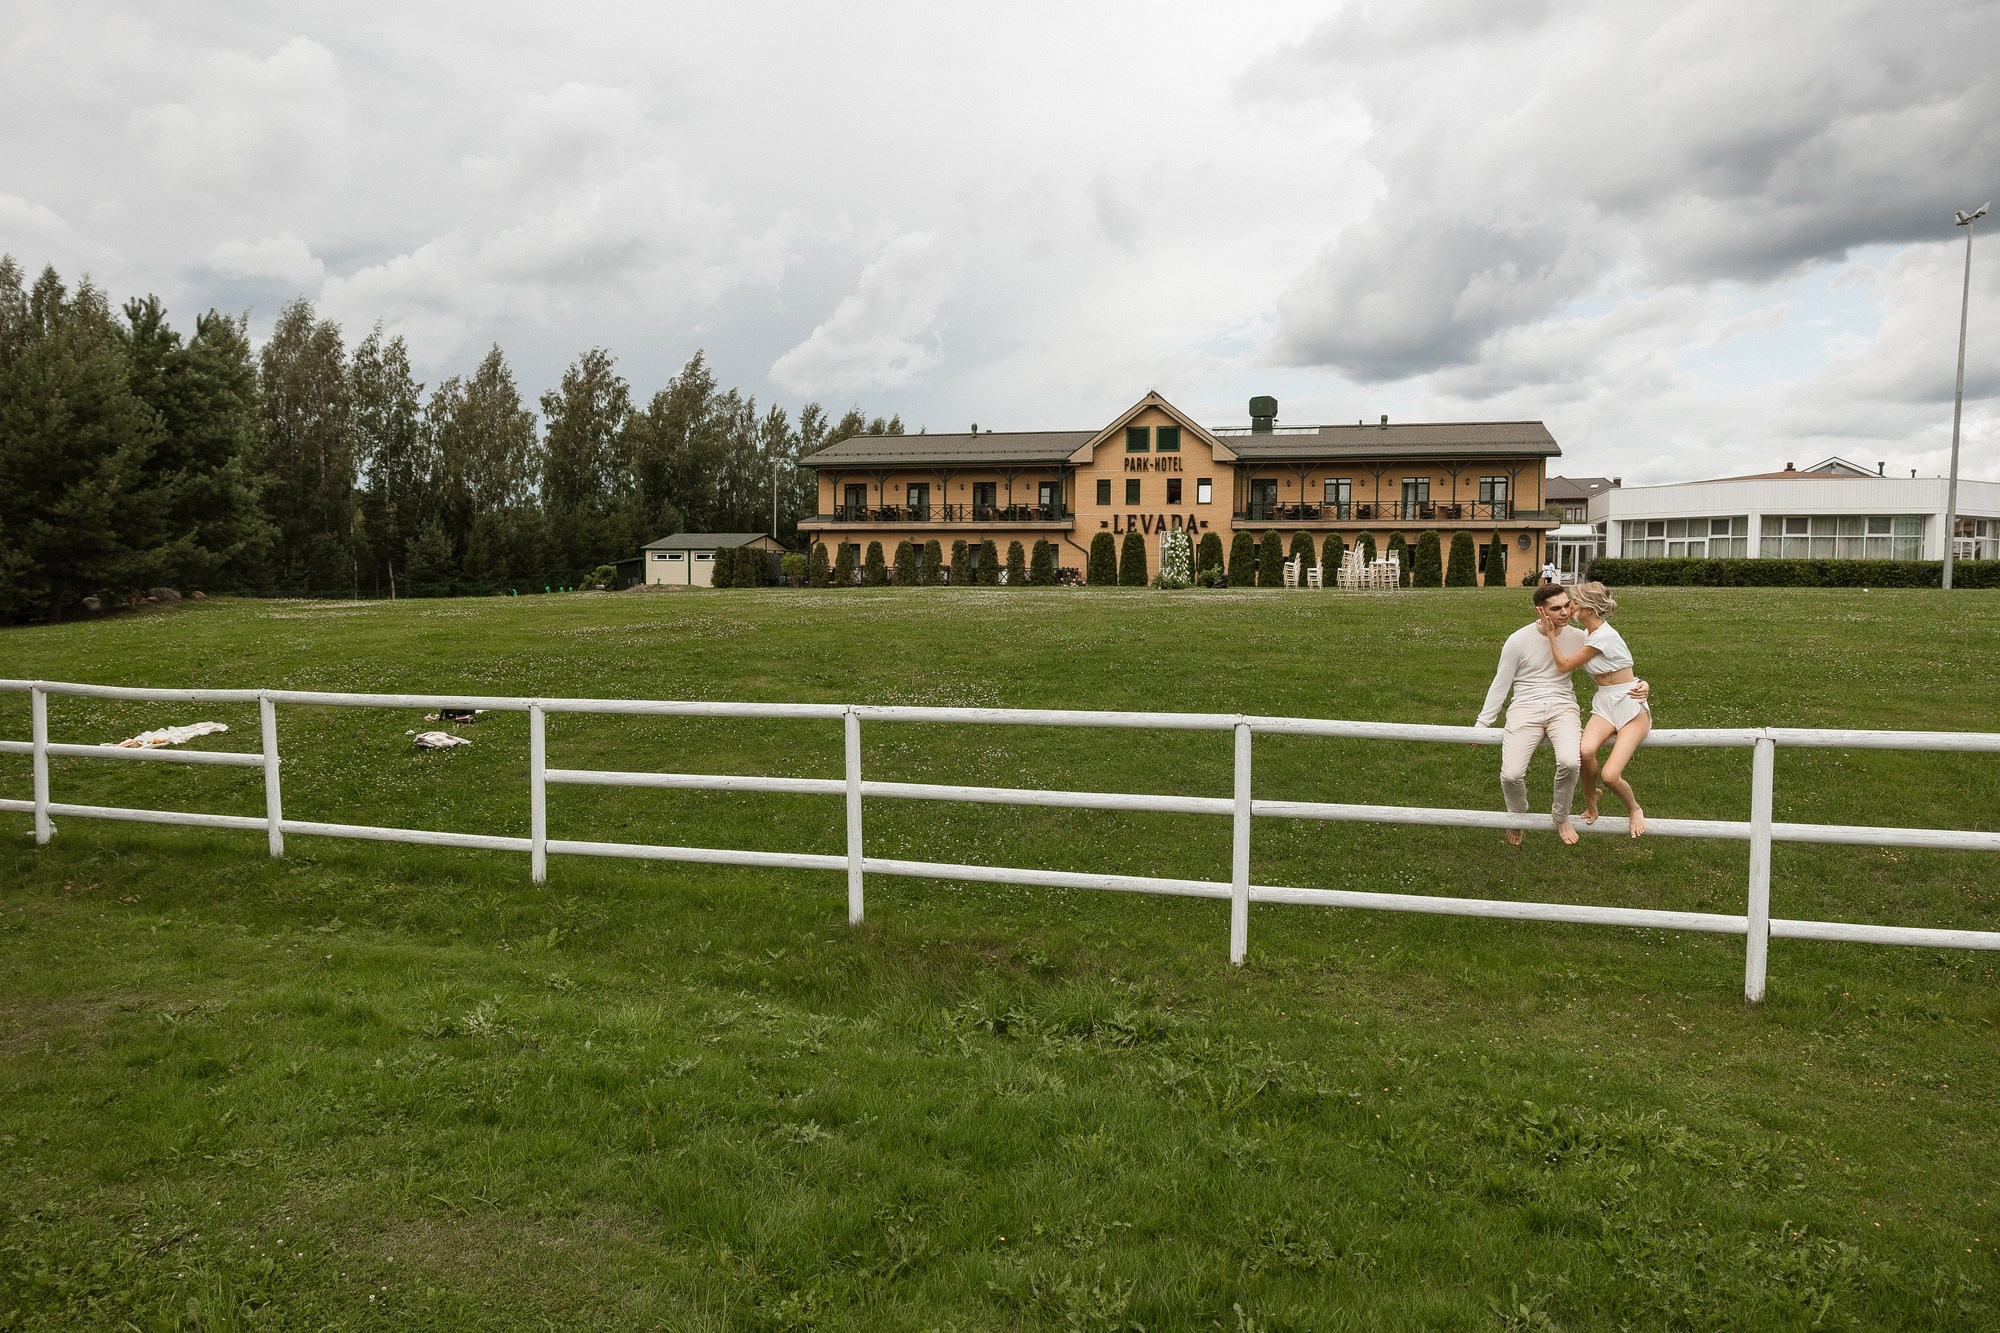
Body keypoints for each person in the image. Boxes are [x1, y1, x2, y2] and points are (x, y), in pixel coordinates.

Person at [1478, 584, 1595, 845]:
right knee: (1511, 775)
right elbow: (1501, 682)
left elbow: (1603, 671)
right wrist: (1482, 723)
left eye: (1567, 605)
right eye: (1556, 608)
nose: (1565, 612)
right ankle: (1517, 815)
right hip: (1525, 707)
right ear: (1540, 611)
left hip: (1563, 706)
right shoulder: (1518, 640)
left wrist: (1636, 686)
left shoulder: (1579, 637)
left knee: (1570, 762)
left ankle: (1561, 815)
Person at [1543, 581, 1650, 836]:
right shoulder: (1590, 634)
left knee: (1610, 775)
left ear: (1589, 609)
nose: (1569, 608)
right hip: (1604, 703)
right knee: (1585, 751)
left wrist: (1550, 635)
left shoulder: (1603, 636)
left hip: (1630, 705)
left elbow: (1564, 665)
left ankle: (1634, 808)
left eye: (1574, 603)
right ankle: (1592, 799)